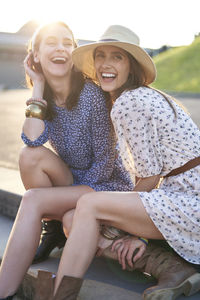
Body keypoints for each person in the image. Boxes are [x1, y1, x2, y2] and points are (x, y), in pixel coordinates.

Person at [32, 24, 200, 299]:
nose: (105, 64)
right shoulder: (139, 97)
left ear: (132, 66)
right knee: (74, 218)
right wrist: (123, 226)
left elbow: (148, 178)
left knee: (87, 205)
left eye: (117, 57)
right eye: (101, 56)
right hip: (180, 200)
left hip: (190, 205)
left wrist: (126, 230)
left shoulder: (129, 102)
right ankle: (172, 268)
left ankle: (60, 294)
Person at [0, 22, 136, 299]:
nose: (61, 48)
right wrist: (37, 87)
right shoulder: (45, 98)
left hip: (107, 183)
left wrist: (65, 198)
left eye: (67, 42)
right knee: (30, 157)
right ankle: (54, 229)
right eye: (51, 42)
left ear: (73, 51)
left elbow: (106, 162)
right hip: (74, 181)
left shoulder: (93, 95)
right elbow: (33, 141)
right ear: (35, 56)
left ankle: (4, 290)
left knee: (33, 199)